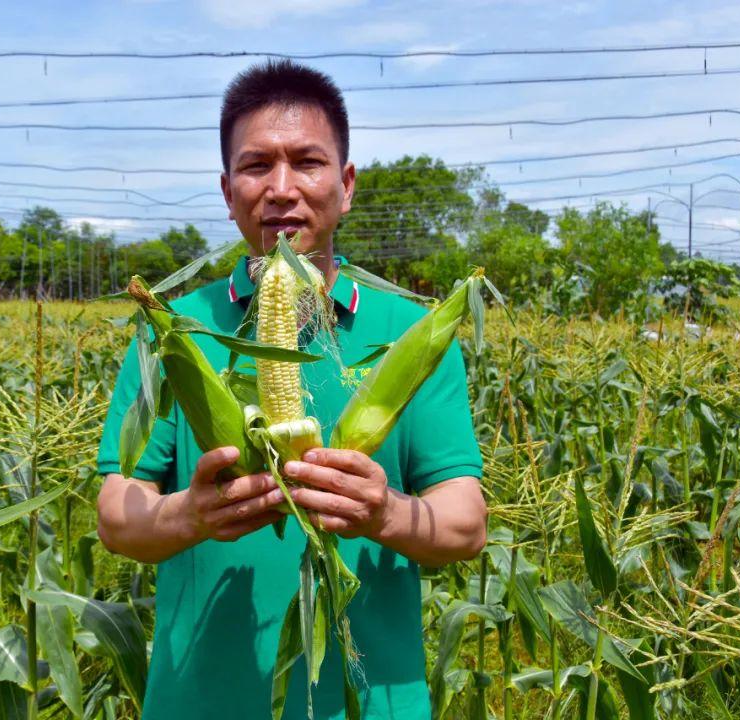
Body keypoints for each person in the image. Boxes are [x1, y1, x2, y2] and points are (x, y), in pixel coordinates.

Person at [95, 59, 486, 719]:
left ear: (347, 183)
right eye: (255, 167)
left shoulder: (415, 336)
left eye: (307, 162)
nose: (281, 188)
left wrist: (383, 511)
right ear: (226, 190)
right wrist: (188, 515)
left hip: (373, 702)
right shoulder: (171, 334)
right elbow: (115, 513)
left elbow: (465, 523)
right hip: (199, 704)